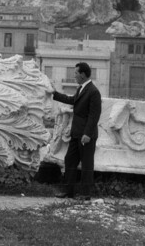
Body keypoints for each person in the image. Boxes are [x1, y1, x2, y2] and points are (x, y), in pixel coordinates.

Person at [51, 62, 102, 200]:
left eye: (76, 73)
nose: (74, 76)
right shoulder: (82, 89)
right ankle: (69, 191)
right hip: (76, 133)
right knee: (70, 160)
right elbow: (72, 100)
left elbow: (94, 115)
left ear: (83, 74)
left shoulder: (93, 91)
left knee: (86, 164)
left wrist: (87, 134)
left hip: (85, 135)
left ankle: (86, 194)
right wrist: (54, 94)